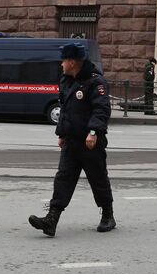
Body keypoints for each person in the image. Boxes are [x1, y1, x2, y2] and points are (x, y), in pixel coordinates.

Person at [29, 43, 115, 237]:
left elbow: (101, 109)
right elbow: (66, 110)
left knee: (98, 178)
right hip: (71, 141)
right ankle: (51, 220)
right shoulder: (67, 81)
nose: (61, 64)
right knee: (63, 179)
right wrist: (62, 133)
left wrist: (93, 131)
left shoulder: (96, 82)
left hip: (90, 142)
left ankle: (108, 215)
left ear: (73, 62)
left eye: (64, 60)